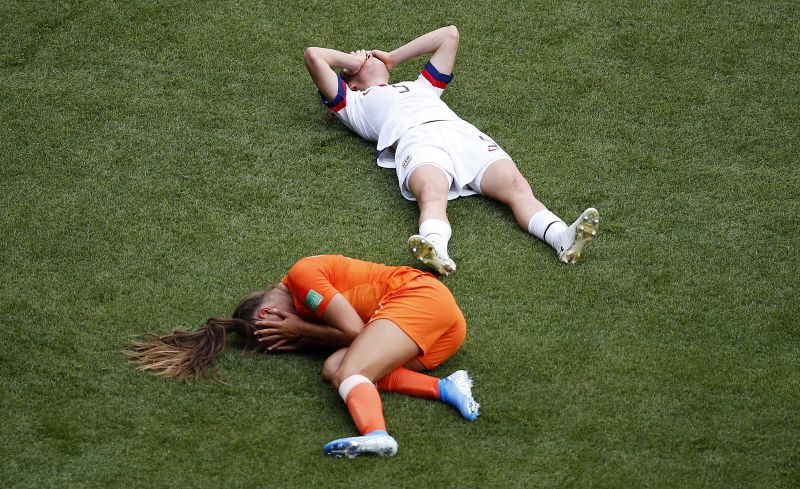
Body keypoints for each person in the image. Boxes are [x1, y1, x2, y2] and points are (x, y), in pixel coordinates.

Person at [303, 26, 600, 275]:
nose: (364, 53)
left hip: (462, 135)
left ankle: (562, 237)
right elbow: (314, 55)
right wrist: (356, 62)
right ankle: (437, 251)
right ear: (351, 82)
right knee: (433, 194)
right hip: (417, 141)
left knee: (517, 186)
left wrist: (391, 58)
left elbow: (449, 35)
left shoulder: (422, 87)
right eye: (358, 59)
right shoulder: (354, 105)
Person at [126, 255, 480, 458]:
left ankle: (377, 435)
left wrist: (300, 331)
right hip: (437, 336)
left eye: (277, 331)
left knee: (350, 370)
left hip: (419, 300)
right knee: (334, 367)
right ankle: (448, 386)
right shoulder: (305, 314)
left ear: (266, 315)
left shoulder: (302, 277)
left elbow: (355, 332)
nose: (289, 329)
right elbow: (352, 340)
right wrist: (302, 335)